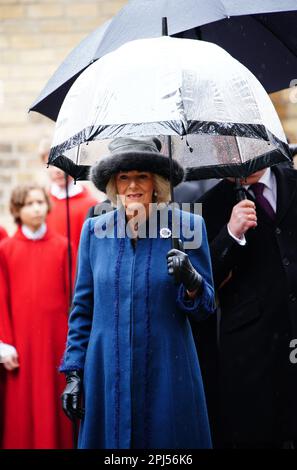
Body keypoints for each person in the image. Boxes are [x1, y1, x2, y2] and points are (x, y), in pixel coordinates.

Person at [60, 137, 215, 449]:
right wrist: (73, 373)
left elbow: (206, 307)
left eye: (141, 176)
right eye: (123, 177)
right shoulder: (94, 230)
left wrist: (192, 279)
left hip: (167, 370)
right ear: (113, 185)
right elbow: (82, 310)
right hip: (106, 370)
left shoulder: (187, 225)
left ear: (156, 182)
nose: (133, 185)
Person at [194, 163, 297, 448]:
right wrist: (231, 233)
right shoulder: (208, 205)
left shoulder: (292, 181)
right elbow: (203, 280)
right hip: (250, 348)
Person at [0, 184, 73, 449]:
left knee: (55, 403)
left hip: (57, 342)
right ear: (17, 210)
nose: (37, 208)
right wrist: (4, 343)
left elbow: (74, 299)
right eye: (29, 204)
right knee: (23, 409)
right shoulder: (6, 250)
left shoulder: (64, 247)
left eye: (40, 202)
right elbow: (1, 299)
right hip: (20, 343)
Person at [39, 138, 99, 267]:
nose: (58, 170)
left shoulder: (92, 204)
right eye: (52, 163)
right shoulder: (40, 203)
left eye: (63, 162)